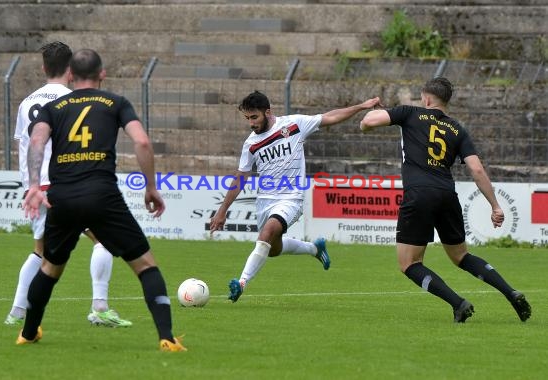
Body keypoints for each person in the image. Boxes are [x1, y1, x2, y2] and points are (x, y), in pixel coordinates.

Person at [18, 48, 186, 352]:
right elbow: (142, 142)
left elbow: (37, 141)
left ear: (71, 73)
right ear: (102, 74)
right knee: (146, 265)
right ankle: (167, 338)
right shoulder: (115, 102)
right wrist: (151, 186)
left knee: (50, 268)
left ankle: (27, 333)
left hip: (62, 197)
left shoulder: (54, 107)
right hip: (102, 194)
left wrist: (33, 185)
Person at [359, 77, 531, 323]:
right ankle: (510, 292)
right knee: (461, 256)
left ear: (426, 99)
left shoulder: (409, 112)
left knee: (409, 264)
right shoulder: (457, 129)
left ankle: (458, 303)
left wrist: (369, 120)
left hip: (419, 193)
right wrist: (495, 206)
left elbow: (368, 122)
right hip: (447, 194)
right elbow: (477, 170)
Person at [210, 90, 381, 302]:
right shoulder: (251, 144)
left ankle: (241, 283)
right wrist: (222, 210)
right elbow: (240, 178)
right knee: (272, 249)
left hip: (291, 198)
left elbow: (331, 116)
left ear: (268, 112)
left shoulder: (294, 125)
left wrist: (361, 106)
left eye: (254, 117)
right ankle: (314, 248)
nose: (251, 123)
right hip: (265, 202)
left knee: (267, 234)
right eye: (247, 118)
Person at [6, 41, 131, 328]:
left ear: (43, 67)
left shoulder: (27, 102)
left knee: (41, 251)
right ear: (72, 70)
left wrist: (30, 187)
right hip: (69, 184)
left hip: (38, 189)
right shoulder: (73, 101)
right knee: (105, 241)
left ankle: (16, 313)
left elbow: (25, 146)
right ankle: (99, 307)